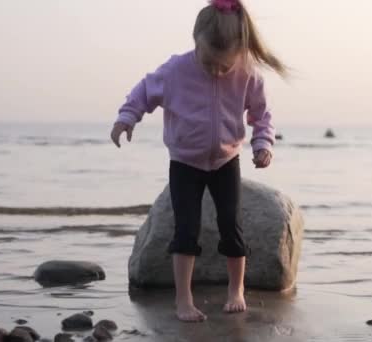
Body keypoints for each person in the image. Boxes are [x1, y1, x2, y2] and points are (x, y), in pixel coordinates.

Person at [110, 0, 287, 323]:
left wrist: (263, 145)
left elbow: (262, 116)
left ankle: (237, 290)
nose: (217, 71)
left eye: (225, 66)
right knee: (185, 229)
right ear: (196, 41)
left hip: (226, 161)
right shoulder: (176, 70)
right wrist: (126, 118)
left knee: (231, 226)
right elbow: (144, 92)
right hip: (184, 162)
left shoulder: (247, 73)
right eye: (209, 62)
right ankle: (184, 299)